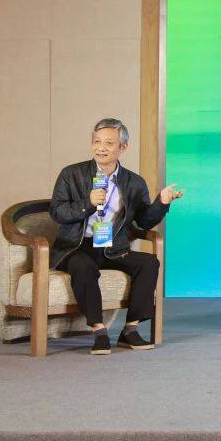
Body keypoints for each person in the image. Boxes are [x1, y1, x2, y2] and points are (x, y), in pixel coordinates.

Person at [48, 118, 185, 355]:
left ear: (123, 147)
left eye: (108, 143)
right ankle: (99, 331)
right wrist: (87, 203)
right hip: (76, 246)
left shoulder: (134, 182)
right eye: (97, 142)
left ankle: (130, 330)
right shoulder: (71, 174)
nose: (101, 148)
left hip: (113, 247)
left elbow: (144, 221)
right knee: (83, 266)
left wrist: (161, 203)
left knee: (149, 263)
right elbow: (57, 212)